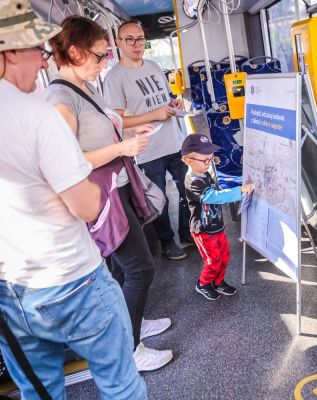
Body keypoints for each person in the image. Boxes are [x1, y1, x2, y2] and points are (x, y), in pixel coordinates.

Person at [0, 1, 147, 398]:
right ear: (11, 52)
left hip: (10, 288)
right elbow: (83, 204)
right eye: (37, 51)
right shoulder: (38, 114)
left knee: (41, 393)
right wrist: (103, 181)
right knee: (120, 384)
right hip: (68, 279)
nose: (43, 62)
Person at [44, 16, 173, 371]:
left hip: (118, 185)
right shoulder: (60, 98)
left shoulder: (87, 87)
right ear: (73, 52)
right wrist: (123, 149)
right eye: (100, 56)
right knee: (140, 268)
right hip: (101, 196)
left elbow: (104, 128)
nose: (104, 63)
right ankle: (130, 349)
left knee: (121, 268)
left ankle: (132, 321)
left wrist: (128, 135)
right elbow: (67, 162)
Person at [103, 20, 191, 261]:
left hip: (174, 140)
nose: (136, 44)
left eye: (140, 38)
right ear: (118, 42)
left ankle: (187, 232)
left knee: (188, 189)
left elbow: (162, 100)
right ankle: (167, 242)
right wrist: (155, 115)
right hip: (146, 149)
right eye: (129, 39)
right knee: (158, 198)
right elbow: (117, 120)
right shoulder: (114, 78)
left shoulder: (153, 66)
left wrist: (172, 105)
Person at [181, 134, 254, 300]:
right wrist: (239, 191)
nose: (209, 163)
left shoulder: (204, 173)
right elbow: (214, 196)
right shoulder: (193, 181)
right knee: (213, 260)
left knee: (224, 256)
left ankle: (218, 282)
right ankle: (204, 284)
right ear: (188, 160)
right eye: (205, 160)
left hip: (217, 226)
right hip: (203, 230)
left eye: (210, 159)